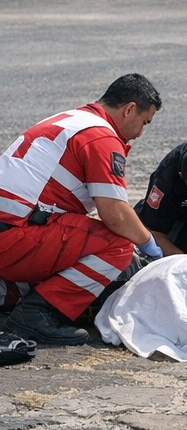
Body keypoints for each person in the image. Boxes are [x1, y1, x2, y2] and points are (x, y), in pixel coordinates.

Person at [0, 74, 164, 345]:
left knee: (71, 249)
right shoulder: (100, 136)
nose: (140, 133)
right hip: (15, 236)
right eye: (144, 123)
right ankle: (38, 315)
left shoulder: (71, 120)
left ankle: (13, 293)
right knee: (118, 246)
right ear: (129, 109)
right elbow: (115, 214)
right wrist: (148, 243)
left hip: (13, 228)